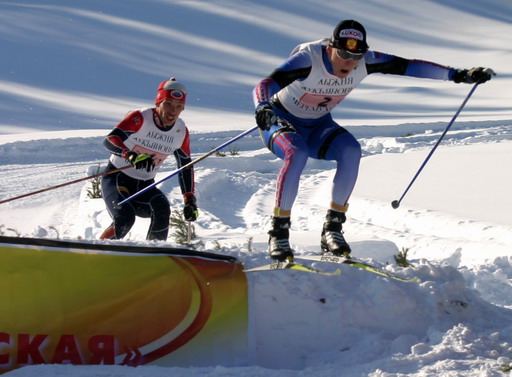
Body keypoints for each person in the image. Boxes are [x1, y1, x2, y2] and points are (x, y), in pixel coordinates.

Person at [253, 19, 495, 261]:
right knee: (297, 153)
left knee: (351, 150)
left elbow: (409, 66)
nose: (350, 62)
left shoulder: (367, 60)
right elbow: (265, 84)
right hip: (281, 119)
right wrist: (263, 108)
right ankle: (279, 233)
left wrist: (458, 75)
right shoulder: (310, 58)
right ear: (331, 47)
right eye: (344, 54)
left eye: (356, 56)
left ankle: (333, 230)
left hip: (318, 125)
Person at [99, 78, 198, 241]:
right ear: (158, 102)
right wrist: (129, 155)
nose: (173, 111)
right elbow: (110, 140)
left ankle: (154, 255)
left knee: (162, 208)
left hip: (144, 185)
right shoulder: (141, 117)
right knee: (125, 218)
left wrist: (189, 199)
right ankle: (95, 254)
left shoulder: (180, 131)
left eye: (179, 107)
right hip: (117, 178)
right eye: (168, 104)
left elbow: (185, 166)